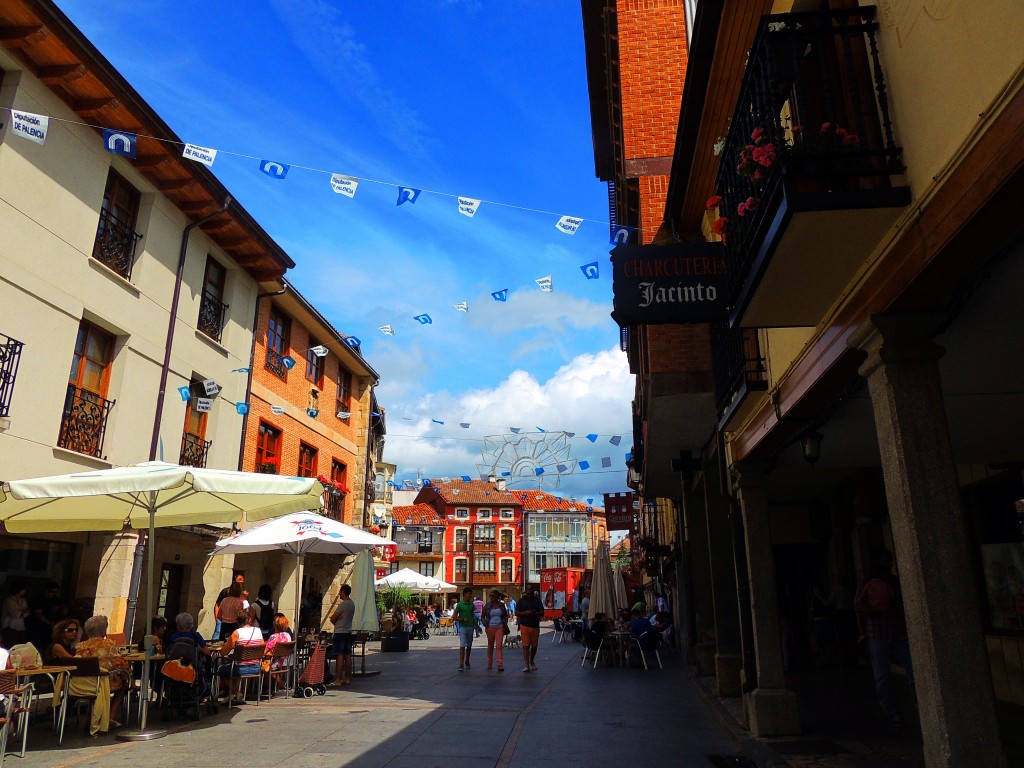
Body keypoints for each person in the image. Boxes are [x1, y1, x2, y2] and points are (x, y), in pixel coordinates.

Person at [856, 549, 917, 728]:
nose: (888, 564)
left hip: (896, 631)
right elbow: (859, 606)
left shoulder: (894, 582)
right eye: (885, 561)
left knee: (911, 671)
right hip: (878, 631)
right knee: (883, 674)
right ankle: (890, 710)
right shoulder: (867, 581)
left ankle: (916, 705)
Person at [73, 615, 131, 733]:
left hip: (82, 683)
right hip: (102, 682)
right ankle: (109, 719)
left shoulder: (80, 646)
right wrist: (128, 673)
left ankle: (93, 718)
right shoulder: (109, 644)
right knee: (124, 684)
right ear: (103, 631)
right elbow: (120, 663)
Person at [217, 606, 264, 699]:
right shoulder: (258, 631)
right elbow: (262, 647)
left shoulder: (237, 633)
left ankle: (234, 692)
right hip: (256, 667)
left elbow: (223, 652)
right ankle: (238, 693)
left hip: (240, 668)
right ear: (250, 620)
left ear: (237, 621)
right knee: (232, 666)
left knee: (219, 669)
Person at [328, 583, 355, 687]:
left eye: (340, 591)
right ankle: (347, 678)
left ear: (343, 592)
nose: (339, 594)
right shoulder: (352, 604)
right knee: (347, 655)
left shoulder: (343, 604)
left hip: (340, 632)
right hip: (348, 631)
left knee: (339, 655)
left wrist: (334, 620)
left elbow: (333, 618)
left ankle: (338, 679)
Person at [27, 581, 65, 651]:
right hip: (36, 626)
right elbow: (38, 614)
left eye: (56, 592)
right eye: (52, 592)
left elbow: (61, 608)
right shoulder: (38, 598)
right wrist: (49, 622)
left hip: (49, 628)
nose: (54, 594)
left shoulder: (55, 599)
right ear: (46, 590)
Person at [516, 585, 544, 672]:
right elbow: (516, 612)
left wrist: (536, 613)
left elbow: (542, 612)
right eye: (528, 593)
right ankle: (527, 665)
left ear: (533, 592)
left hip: (535, 625)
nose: (529, 594)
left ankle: (531, 660)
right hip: (524, 625)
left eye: (531, 593)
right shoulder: (521, 601)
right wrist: (526, 613)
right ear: (525, 592)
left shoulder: (537, 600)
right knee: (525, 646)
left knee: (534, 646)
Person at [481, 590, 508, 672]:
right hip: (490, 627)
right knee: (490, 646)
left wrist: (504, 624)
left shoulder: (502, 605)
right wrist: (485, 625)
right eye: (490, 596)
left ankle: (500, 664)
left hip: (499, 627)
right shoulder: (487, 605)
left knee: (499, 646)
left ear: (497, 597)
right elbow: (482, 616)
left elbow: (505, 616)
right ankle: (489, 663)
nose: (491, 597)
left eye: (493, 596)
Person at [214, 571, 244, 640]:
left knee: (222, 643)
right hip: (234, 625)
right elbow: (240, 616)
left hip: (224, 625)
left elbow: (219, 615)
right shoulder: (239, 602)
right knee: (233, 644)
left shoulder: (224, 600)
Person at [453, 587, 477, 671]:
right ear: (464, 594)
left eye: (471, 594)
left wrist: (476, 626)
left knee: (469, 645)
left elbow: (473, 615)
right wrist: (462, 619)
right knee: (462, 645)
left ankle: (467, 660)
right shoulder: (460, 604)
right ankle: (461, 663)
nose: (470, 595)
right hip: (463, 626)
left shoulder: (472, 604)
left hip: (470, 626)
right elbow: (454, 617)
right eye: (469, 594)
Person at [2, 579, 29, 648]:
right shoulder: (9, 600)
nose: (25, 591)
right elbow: (15, 613)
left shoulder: (23, 600)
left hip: (21, 627)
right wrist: (22, 611)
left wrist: (22, 612)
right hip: (10, 627)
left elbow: (27, 613)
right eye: (23, 589)